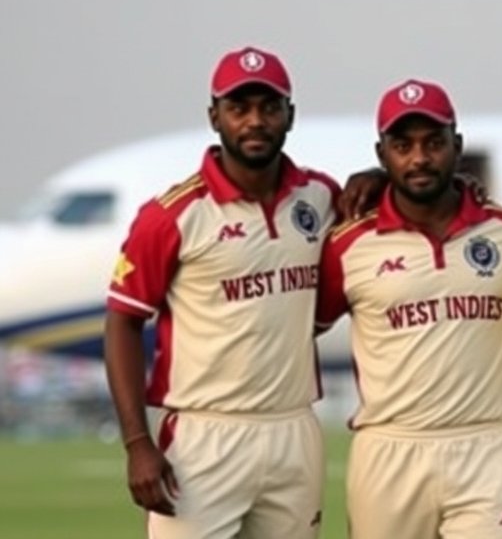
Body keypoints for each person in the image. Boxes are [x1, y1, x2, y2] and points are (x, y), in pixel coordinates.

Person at [104, 46, 338, 539]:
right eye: (239, 108)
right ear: (215, 116)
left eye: (269, 108)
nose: (255, 121)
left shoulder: (320, 198)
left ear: (289, 115)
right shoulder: (172, 215)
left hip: (293, 429)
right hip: (203, 436)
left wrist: (378, 178)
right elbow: (123, 322)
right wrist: (136, 442)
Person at [314, 79, 502, 539]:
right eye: (403, 145)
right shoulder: (347, 246)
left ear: (457, 147)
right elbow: (290, 327)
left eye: (434, 143)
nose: (419, 158)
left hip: (487, 448)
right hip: (390, 450)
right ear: (382, 155)